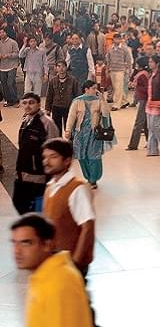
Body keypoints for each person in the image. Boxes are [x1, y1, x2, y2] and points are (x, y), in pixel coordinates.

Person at [10, 213, 93, 327]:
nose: (17, 251)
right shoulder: (42, 276)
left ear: (47, 245)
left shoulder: (59, 282)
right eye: (14, 243)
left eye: (26, 243)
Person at [41, 137, 95, 274]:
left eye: (53, 157)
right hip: (55, 260)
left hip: (70, 263)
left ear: (67, 160)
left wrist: (75, 262)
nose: (46, 162)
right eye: (45, 157)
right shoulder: (50, 186)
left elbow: (87, 227)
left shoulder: (77, 189)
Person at [12, 93, 60, 214]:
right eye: (25, 103)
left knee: (38, 213)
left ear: (39, 104)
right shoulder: (25, 120)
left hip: (38, 178)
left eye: (31, 102)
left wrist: (51, 177)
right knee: (21, 208)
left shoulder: (47, 123)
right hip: (22, 175)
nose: (27, 106)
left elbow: (55, 151)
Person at [64, 80, 110, 189]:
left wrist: (103, 100)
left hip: (95, 134)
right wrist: (68, 130)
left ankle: (93, 179)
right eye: (93, 88)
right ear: (86, 89)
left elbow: (105, 114)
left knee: (94, 156)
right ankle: (88, 176)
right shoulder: (77, 101)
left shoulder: (98, 101)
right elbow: (71, 117)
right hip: (80, 134)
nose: (96, 90)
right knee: (82, 156)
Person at [146, 55, 160, 156]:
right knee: (150, 126)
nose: (150, 64)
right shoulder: (151, 74)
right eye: (149, 62)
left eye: (151, 62)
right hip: (150, 102)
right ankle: (152, 150)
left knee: (156, 127)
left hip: (157, 103)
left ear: (157, 64)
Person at [105, 33, 133, 111]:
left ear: (121, 39)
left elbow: (128, 60)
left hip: (121, 70)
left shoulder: (125, 49)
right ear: (113, 39)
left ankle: (116, 104)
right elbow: (108, 59)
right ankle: (124, 101)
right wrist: (107, 70)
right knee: (116, 87)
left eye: (119, 38)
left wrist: (128, 69)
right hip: (112, 69)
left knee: (118, 87)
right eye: (115, 38)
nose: (117, 40)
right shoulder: (110, 48)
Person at [126, 57, 150, 151]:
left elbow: (146, 88)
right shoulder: (143, 74)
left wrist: (136, 86)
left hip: (143, 99)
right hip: (142, 99)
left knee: (139, 122)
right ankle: (150, 141)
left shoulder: (143, 75)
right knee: (145, 122)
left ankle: (133, 144)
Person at [0, 27, 21, 107]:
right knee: (4, 84)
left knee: (10, 83)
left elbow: (16, 53)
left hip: (12, 66)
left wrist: (8, 55)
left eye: (3, 32)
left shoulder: (13, 42)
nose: (1, 34)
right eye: (0, 33)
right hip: (2, 66)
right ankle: (9, 100)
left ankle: (16, 100)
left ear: (6, 33)